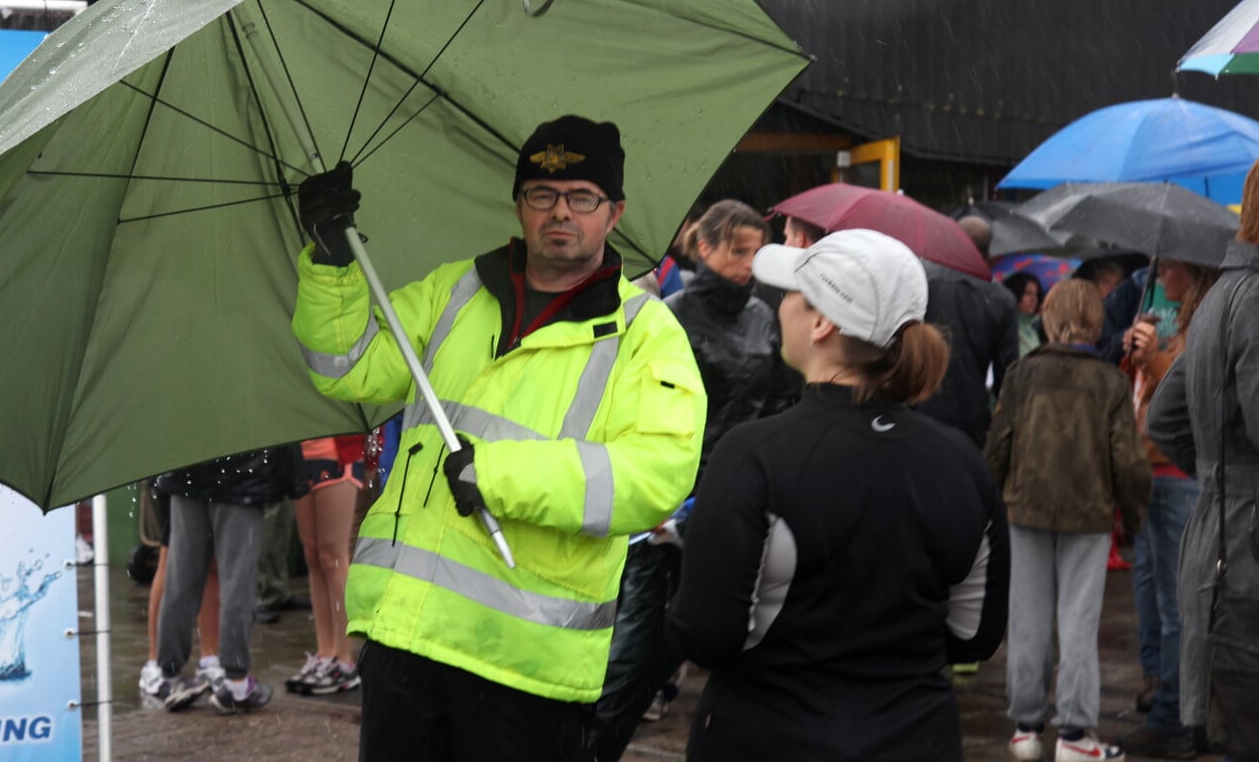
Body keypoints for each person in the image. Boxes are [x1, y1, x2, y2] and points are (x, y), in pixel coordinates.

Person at [291, 115, 705, 762]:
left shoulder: (645, 334)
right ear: (519, 204)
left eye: (581, 197)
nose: (559, 212)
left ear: (614, 210)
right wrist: (331, 265)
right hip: (405, 640)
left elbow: (654, 474)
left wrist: (498, 475)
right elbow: (347, 368)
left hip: (524, 663)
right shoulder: (455, 290)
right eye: (542, 194)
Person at [668, 229, 1009, 762]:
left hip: (768, 735)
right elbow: (975, 635)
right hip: (916, 736)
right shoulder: (962, 461)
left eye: (792, 296)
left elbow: (706, 633)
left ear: (822, 323)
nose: (779, 306)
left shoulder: (755, 455)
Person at [587, 199, 775, 761]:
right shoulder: (668, 315)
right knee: (641, 651)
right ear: (704, 247)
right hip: (673, 502)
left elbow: (775, 399)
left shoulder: (764, 315)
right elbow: (639, 409)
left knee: (744, 654)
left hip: (743, 497)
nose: (748, 263)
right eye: (738, 250)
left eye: (756, 252)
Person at [985, 278, 1150, 762]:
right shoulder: (1109, 381)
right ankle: (1076, 734)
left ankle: (1026, 727)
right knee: (1079, 621)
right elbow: (1128, 458)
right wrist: (1134, 514)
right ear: (1096, 321)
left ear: (1051, 318)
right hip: (1089, 512)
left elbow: (999, 444)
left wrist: (990, 502)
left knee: (1027, 618)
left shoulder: (1021, 374)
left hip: (1026, 506)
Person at [1148, 161, 1259, 762]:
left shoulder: (1219, 297)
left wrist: (1219, 480)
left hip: (1219, 548)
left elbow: (1163, 416)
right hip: (1246, 560)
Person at [1115, 259, 1219, 760]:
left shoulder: (1198, 327)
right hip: (1150, 471)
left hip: (1177, 477)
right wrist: (1133, 357)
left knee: (1178, 603)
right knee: (1156, 594)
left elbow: (1188, 399)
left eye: (1171, 268)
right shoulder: (1170, 322)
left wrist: (1155, 360)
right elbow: (1139, 397)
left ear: (1193, 273)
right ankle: (1166, 694)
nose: (1160, 276)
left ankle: (1177, 716)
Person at [154, 447, 286, 714]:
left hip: (187, 470)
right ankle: (236, 683)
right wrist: (291, 480)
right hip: (242, 479)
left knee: (181, 578)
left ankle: (169, 676)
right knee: (238, 581)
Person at [915, 215, 1020, 446]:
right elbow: (1009, 376)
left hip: (918, 411)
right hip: (970, 422)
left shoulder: (921, 283)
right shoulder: (1000, 300)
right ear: (989, 255)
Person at [284, 434, 366, 695]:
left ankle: (344, 659)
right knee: (313, 556)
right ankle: (325, 653)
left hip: (338, 455)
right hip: (300, 455)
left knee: (334, 556)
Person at [137, 478, 225, 710]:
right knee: (172, 556)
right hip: (178, 470)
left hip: (214, 465)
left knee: (210, 556)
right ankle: (154, 663)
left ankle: (209, 658)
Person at [1001, 271, 1045, 357]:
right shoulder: (1007, 331)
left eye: (1036, 294)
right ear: (1015, 294)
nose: (1034, 299)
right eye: (1028, 293)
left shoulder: (1032, 330)